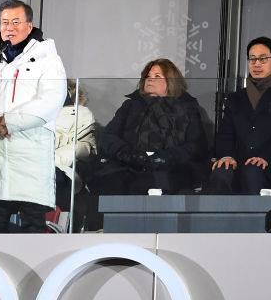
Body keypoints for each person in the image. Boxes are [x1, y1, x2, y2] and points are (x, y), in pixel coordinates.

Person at [0, 0, 67, 233]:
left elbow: (51, 100)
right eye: (5, 22)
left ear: (29, 26)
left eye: (16, 22)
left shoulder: (48, 59)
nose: (10, 27)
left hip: (31, 160)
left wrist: (10, 123)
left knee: (33, 232)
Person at [89, 58, 208, 196]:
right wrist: (129, 154)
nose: (150, 80)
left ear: (171, 81)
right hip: (130, 166)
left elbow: (196, 145)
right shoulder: (130, 106)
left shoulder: (188, 108)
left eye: (157, 76)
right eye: (148, 76)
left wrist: (166, 157)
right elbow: (108, 137)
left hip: (172, 168)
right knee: (109, 181)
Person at [209, 36, 271, 195]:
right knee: (222, 172)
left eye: (263, 59)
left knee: (253, 171)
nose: (256, 64)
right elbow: (225, 134)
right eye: (252, 59)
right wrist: (227, 155)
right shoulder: (235, 98)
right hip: (240, 164)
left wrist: (267, 157)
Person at [53, 79, 97, 229]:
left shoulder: (81, 114)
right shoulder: (27, 116)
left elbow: (83, 147)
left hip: (65, 172)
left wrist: (50, 161)